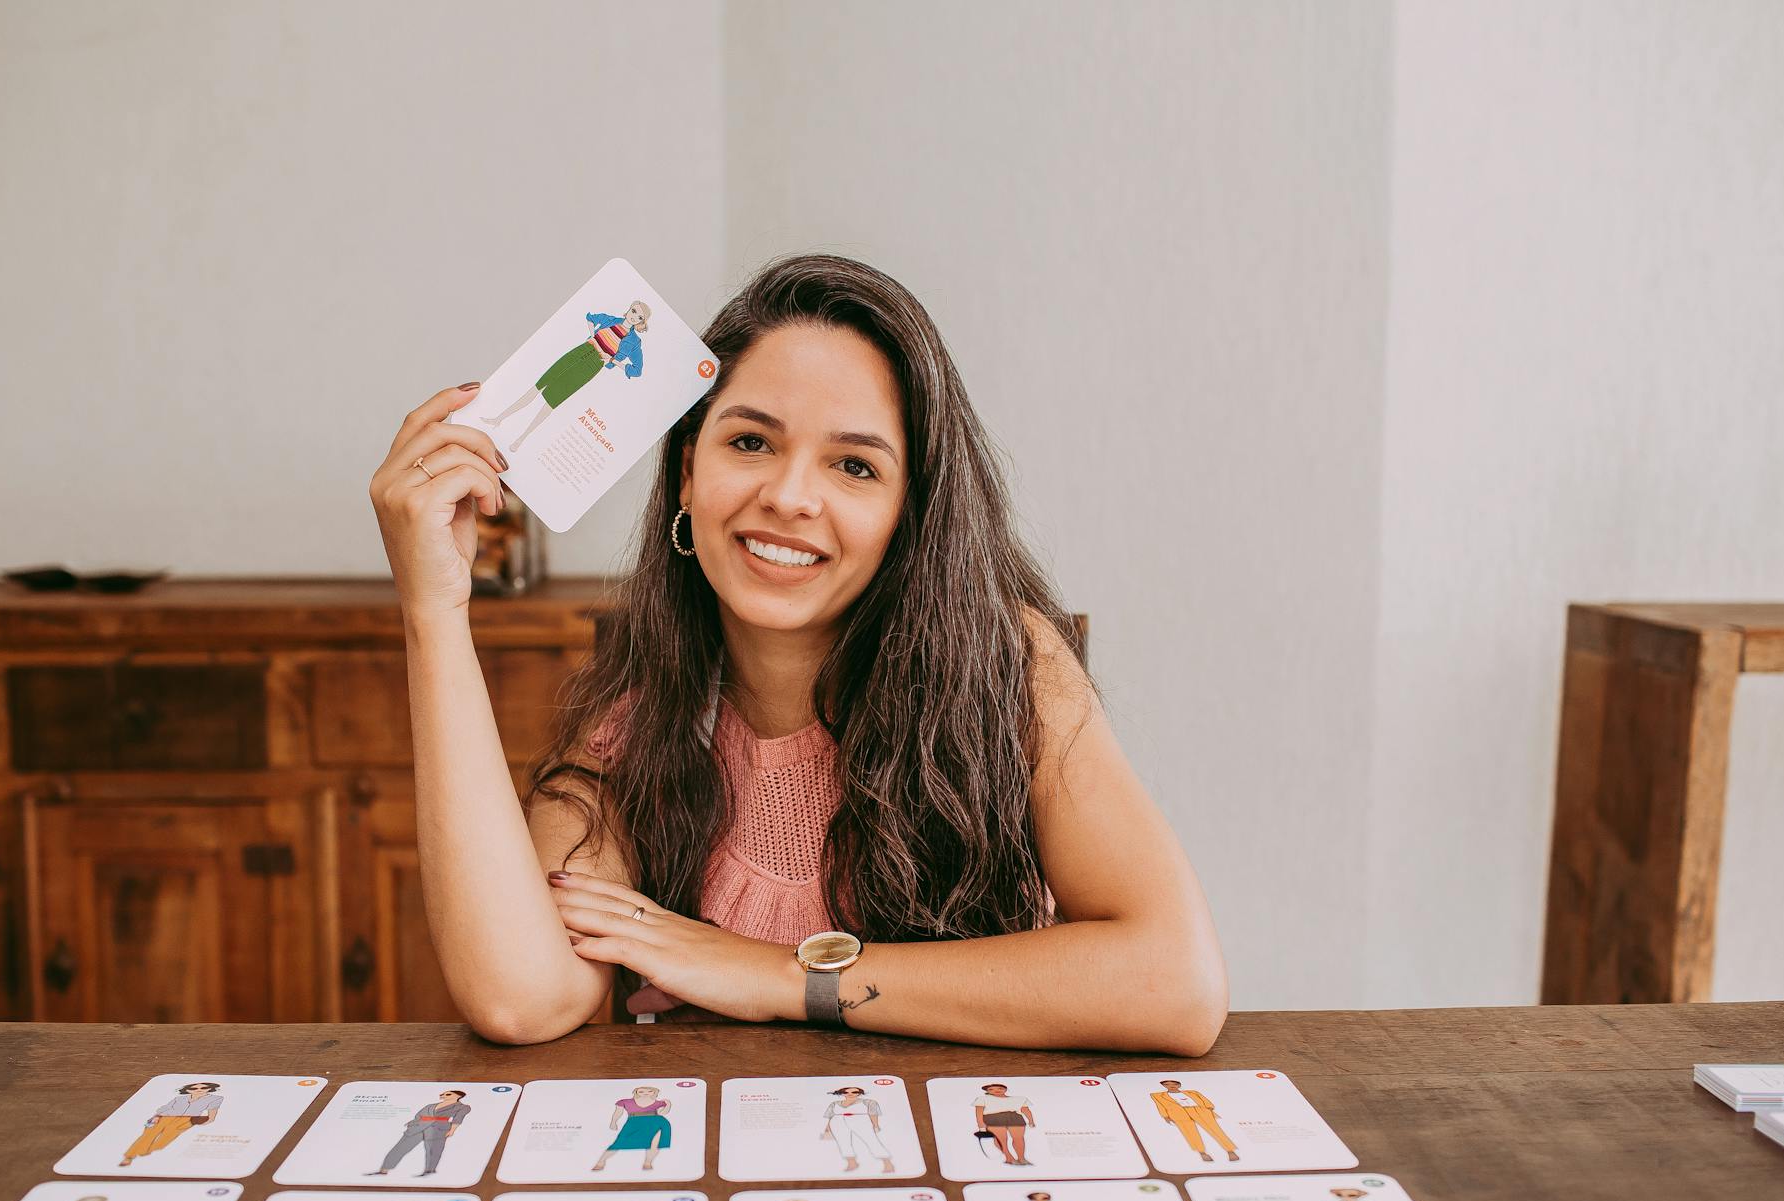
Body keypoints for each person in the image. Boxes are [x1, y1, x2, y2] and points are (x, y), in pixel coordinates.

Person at [369, 253, 1225, 1049]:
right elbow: (523, 998)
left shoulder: (1014, 669)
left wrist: (779, 975)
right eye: (750, 442)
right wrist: (434, 610)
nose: (789, 496)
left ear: (908, 516)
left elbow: (1174, 982)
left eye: (854, 467)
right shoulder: (631, 729)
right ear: (686, 474)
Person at [476, 301, 650, 454]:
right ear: (628, 310)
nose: (635, 317)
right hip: (579, 352)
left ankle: (521, 438)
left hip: (592, 366)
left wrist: (614, 361)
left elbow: (637, 370)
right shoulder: (610, 320)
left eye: (640, 317)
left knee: (552, 401)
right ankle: (498, 419)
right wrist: (592, 336)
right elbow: (590, 317)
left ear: (642, 322)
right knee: (540, 385)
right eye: (634, 311)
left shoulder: (634, 342)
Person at [365, 1088, 471, 1177]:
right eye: (443, 1094)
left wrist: (452, 1130)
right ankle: (384, 1169)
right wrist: (412, 1123)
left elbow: (458, 1119)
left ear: (458, 1096)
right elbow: (419, 1115)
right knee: (400, 1147)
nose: (443, 1095)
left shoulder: (462, 1107)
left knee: (434, 1150)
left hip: (438, 1129)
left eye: (448, 1094)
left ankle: (429, 1171)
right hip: (418, 1127)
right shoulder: (431, 1105)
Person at [119, 1081, 221, 1166]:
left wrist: (210, 1120)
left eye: (204, 1087)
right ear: (188, 1090)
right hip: (164, 1117)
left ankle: (144, 1151)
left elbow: (213, 1110)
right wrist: (156, 1116)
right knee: (147, 1135)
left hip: (186, 1120)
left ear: (209, 1088)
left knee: (165, 1140)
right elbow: (166, 1107)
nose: (199, 1089)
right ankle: (129, 1157)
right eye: (193, 1088)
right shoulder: (179, 1098)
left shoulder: (215, 1098)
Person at [1152, 1077, 1240, 1162]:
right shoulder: (1158, 1095)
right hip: (1178, 1113)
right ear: (1164, 1086)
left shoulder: (1193, 1092)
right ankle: (1202, 1153)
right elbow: (1160, 1105)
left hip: (1199, 1110)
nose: (1171, 1086)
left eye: (1175, 1084)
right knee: (1189, 1132)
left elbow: (1204, 1100)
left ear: (1179, 1085)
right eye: (1167, 1084)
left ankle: (1230, 1151)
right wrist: (1165, 1116)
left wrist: (1209, 1108)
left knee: (1215, 1130)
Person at [591, 1085, 672, 1171]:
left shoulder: (658, 1103)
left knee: (654, 1144)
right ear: (636, 1092)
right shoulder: (625, 1102)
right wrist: (613, 1122)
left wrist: (668, 1105)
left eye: (649, 1091)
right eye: (641, 1091)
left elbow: (662, 1113)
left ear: (654, 1092)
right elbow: (618, 1112)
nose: (645, 1093)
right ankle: (601, 1161)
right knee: (619, 1143)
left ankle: (647, 1163)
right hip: (633, 1123)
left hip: (657, 1123)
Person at [821, 1085, 894, 1173]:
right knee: (843, 1143)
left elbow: (873, 1114)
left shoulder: (868, 1102)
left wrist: (875, 1125)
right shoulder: (835, 1104)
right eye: (846, 1092)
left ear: (859, 1093)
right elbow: (831, 1116)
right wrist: (827, 1128)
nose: (850, 1094)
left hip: (860, 1121)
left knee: (872, 1141)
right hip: (838, 1122)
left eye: (854, 1092)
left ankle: (888, 1164)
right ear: (842, 1093)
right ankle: (852, 1163)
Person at [972, 1084, 1036, 1165]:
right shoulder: (983, 1099)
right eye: (991, 1089)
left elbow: (1025, 1110)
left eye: (1000, 1088)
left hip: (1014, 1117)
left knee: (1019, 1138)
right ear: (987, 1091)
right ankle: (1009, 1157)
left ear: (1006, 1089)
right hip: (993, 1118)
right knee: (1001, 1139)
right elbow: (979, 1112)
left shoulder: (1019, 1099)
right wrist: (981, 1124)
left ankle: (1021, 1158)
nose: (996, 1090)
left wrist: (1031, 1121)